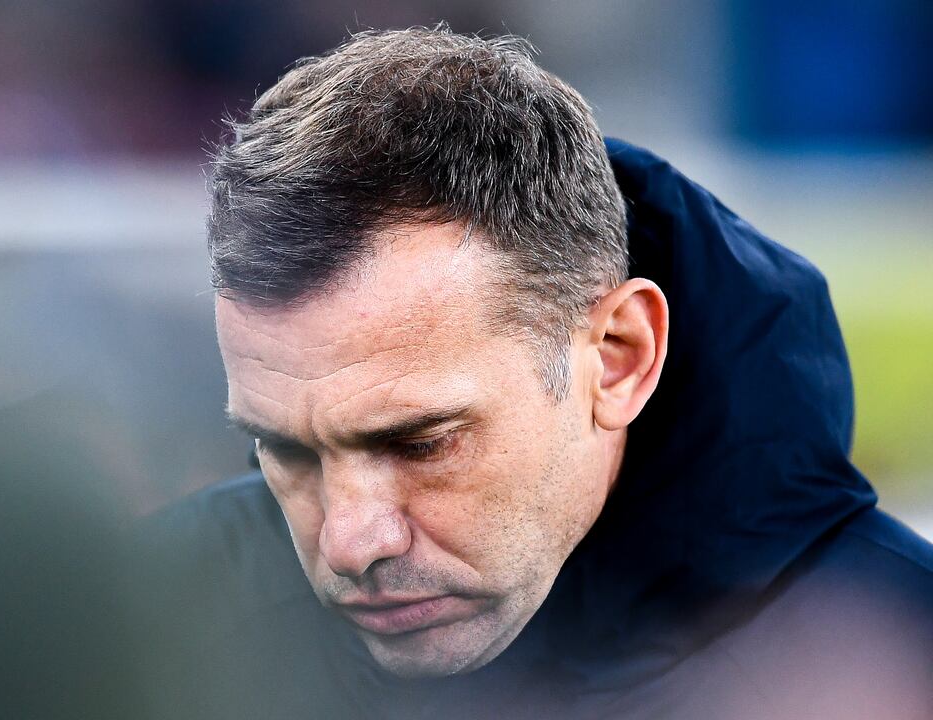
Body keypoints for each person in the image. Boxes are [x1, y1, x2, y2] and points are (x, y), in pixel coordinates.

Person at [146, 27, 933, 719]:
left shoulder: (907, 655)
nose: (351, 542)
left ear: (618, 358)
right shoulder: (146, 624)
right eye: (287, 450)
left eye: (421, 444)